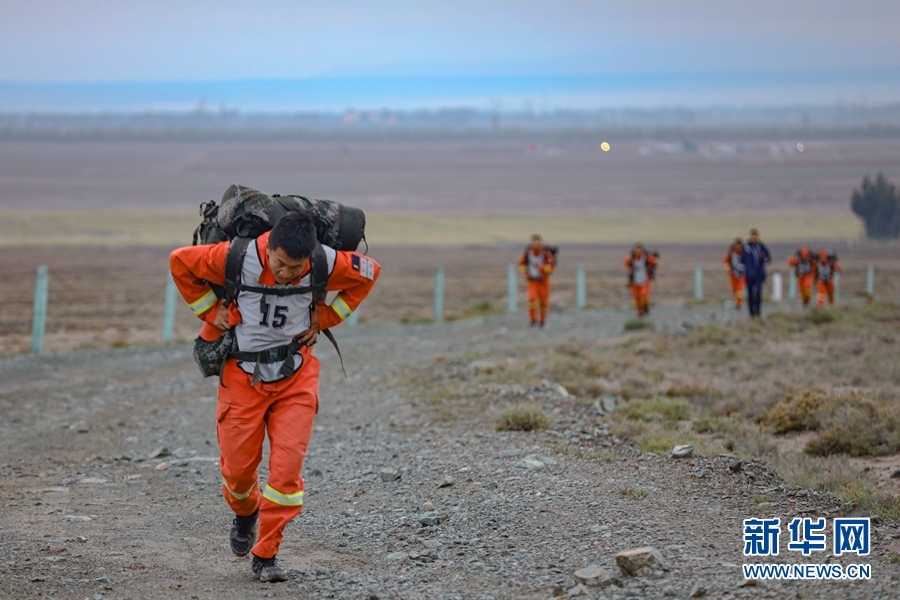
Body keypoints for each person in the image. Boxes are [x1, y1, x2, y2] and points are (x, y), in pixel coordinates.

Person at [169, 212, 380, 583]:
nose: (285, 273)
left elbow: (370, 273)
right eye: (279, 264)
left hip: (296, 378)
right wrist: (208, 308)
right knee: (237, 476)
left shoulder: (325, 263)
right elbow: (179, 261)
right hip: (241, 378)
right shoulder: (236, 256)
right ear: (269, 247)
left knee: (285, 475)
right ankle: (245, 512)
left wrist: (327, 317)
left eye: (294, 268)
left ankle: (266, 554)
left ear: (310, 257)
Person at [518, 234, 556, 326]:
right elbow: (521, 264)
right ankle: (532, 319)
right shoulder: (527, 252)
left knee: (543, 301)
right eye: (534, 243)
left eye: (537, 243)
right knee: (532, 299)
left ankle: (542, 320)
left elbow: (551, 265)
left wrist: (543, 269)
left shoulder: (546, 253)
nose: (536, 245)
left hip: (543, 280)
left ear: (540, 243)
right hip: (532, 280)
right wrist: (525, 273)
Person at [740, 229, 771, 318]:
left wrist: (763, 257)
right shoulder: (746, 248)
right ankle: (751, 313)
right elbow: (742, 261)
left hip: (759, 274)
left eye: (755, 236)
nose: (754, 237)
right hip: (749, 275)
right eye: (752, 236)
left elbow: (768, 259)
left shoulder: (761, 247)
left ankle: (757, 311)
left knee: (757, 293)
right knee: (750, 294)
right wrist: (742, 271)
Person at [624, 242, 658, 317]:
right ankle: (639, 312)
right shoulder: (631, 258)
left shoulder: (646, 257)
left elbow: (654, 261)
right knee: (636, 297)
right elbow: (626, 263)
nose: (638, 250)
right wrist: (631, 269)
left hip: (645, 280)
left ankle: (646, 307)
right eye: (637, 248)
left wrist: (650, 269)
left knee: (644, 295)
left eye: (640, 248)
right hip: (634, 281)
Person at [723, 238, 746, 309]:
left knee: (739, 289)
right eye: (737, 245)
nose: (738, 247)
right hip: (733, 274)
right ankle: (737, 301)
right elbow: (725, 262)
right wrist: (729, 270)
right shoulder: (731, 253)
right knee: (734, 289)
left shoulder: (745, 253)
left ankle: (738, 304)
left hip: (742, 274)